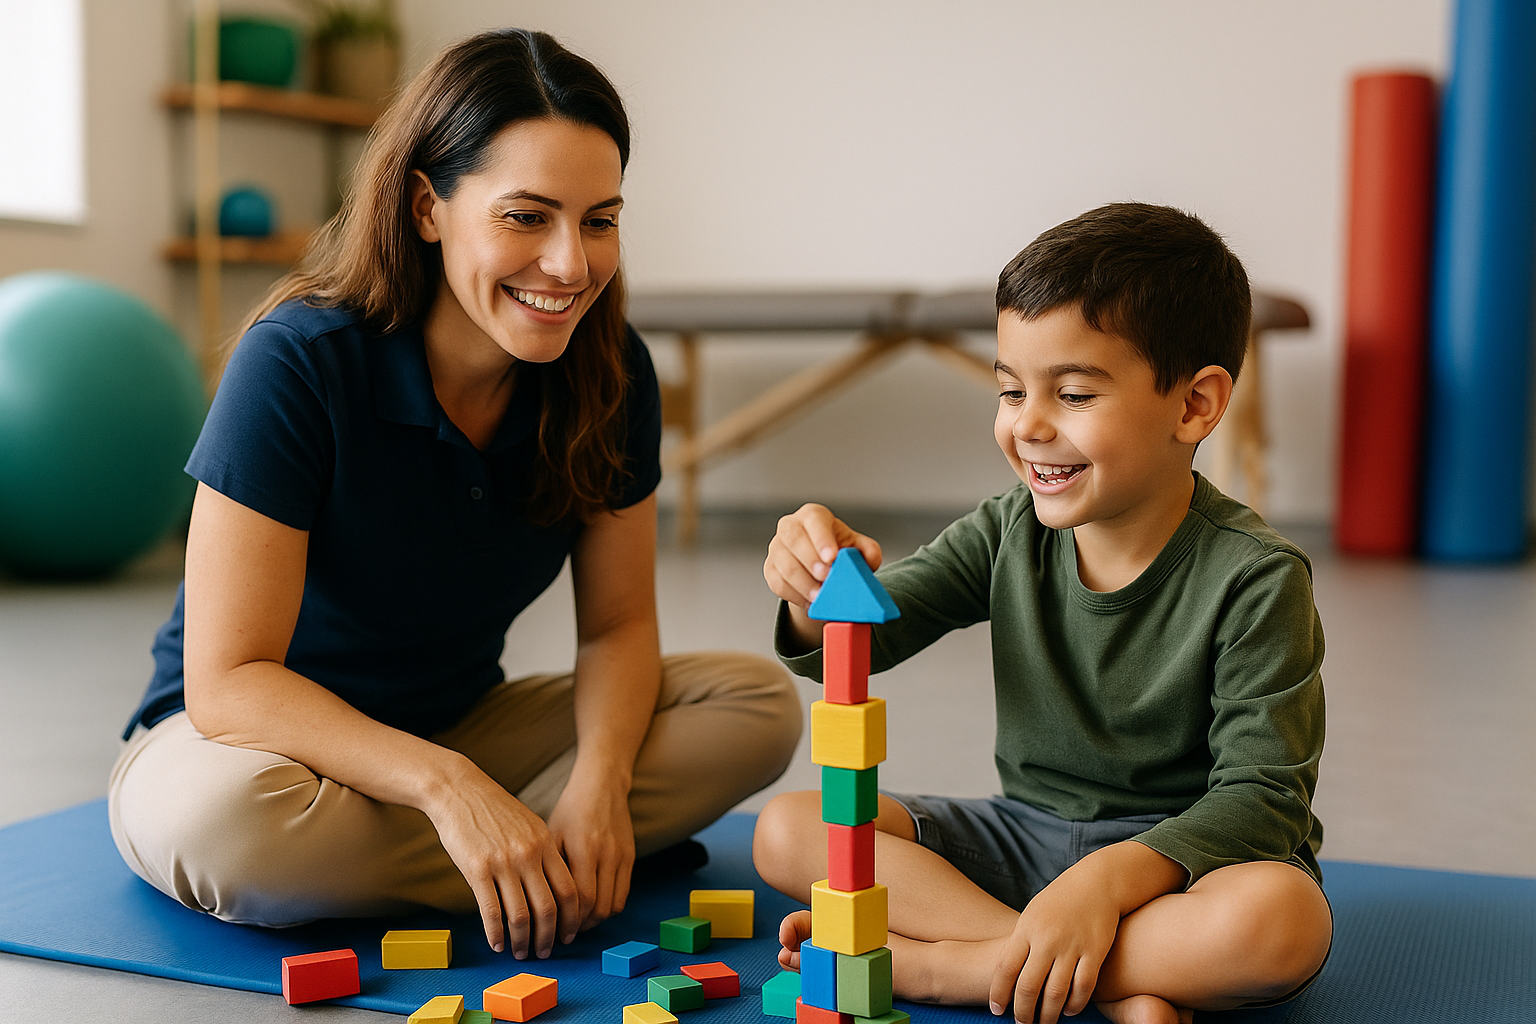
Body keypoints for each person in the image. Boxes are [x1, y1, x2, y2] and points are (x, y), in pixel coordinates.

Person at [109, 28, 801, 962]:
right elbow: (230, 683)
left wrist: (599, 784)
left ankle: (508, 853)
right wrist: (449, 788)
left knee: (758, 703)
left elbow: (619, 630)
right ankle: (521, 861)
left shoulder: (612, 376)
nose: (570, 264)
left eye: (599, 219)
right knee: (226, 831)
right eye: (527, 217)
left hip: (458, 725)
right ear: (429, 207)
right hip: (246, 750)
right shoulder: (300, 361)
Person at [754, 203, 1330, 1024]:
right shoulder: (1005, 530)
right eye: (1011, 390)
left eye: (1072, 393)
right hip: (1020, 840)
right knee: (787, 827)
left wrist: (1104, 884)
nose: (1027, 425)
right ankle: (1056, 965)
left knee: (1283, 921)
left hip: (1172, 869)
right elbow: (869, 634)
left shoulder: (1258, 577)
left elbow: (1262, 801)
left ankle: (958, 969)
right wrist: (814, 589)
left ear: (1195, 405)